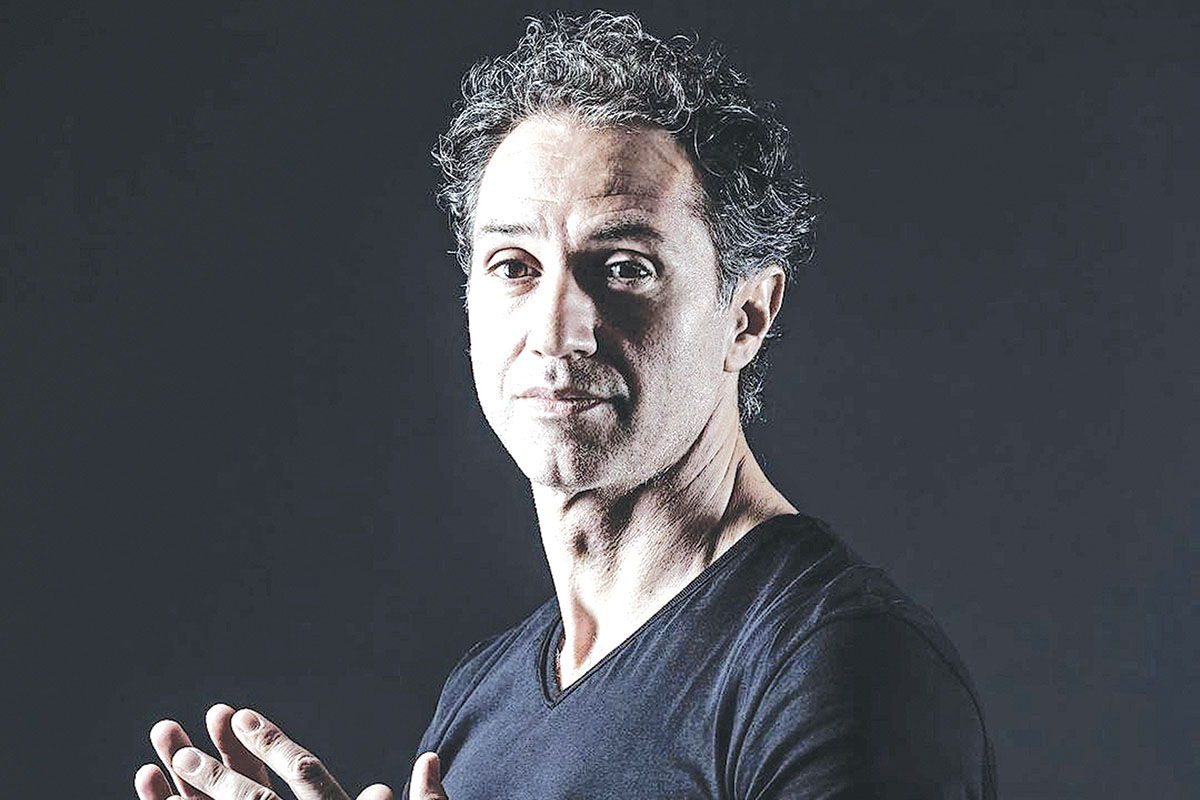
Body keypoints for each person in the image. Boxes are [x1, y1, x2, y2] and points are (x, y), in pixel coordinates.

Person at [134, 11, 997, 800]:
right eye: (514, 267)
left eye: (624, 268)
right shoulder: (482, 699)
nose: (557, 328)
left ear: (746, 315)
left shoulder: (839, 663)